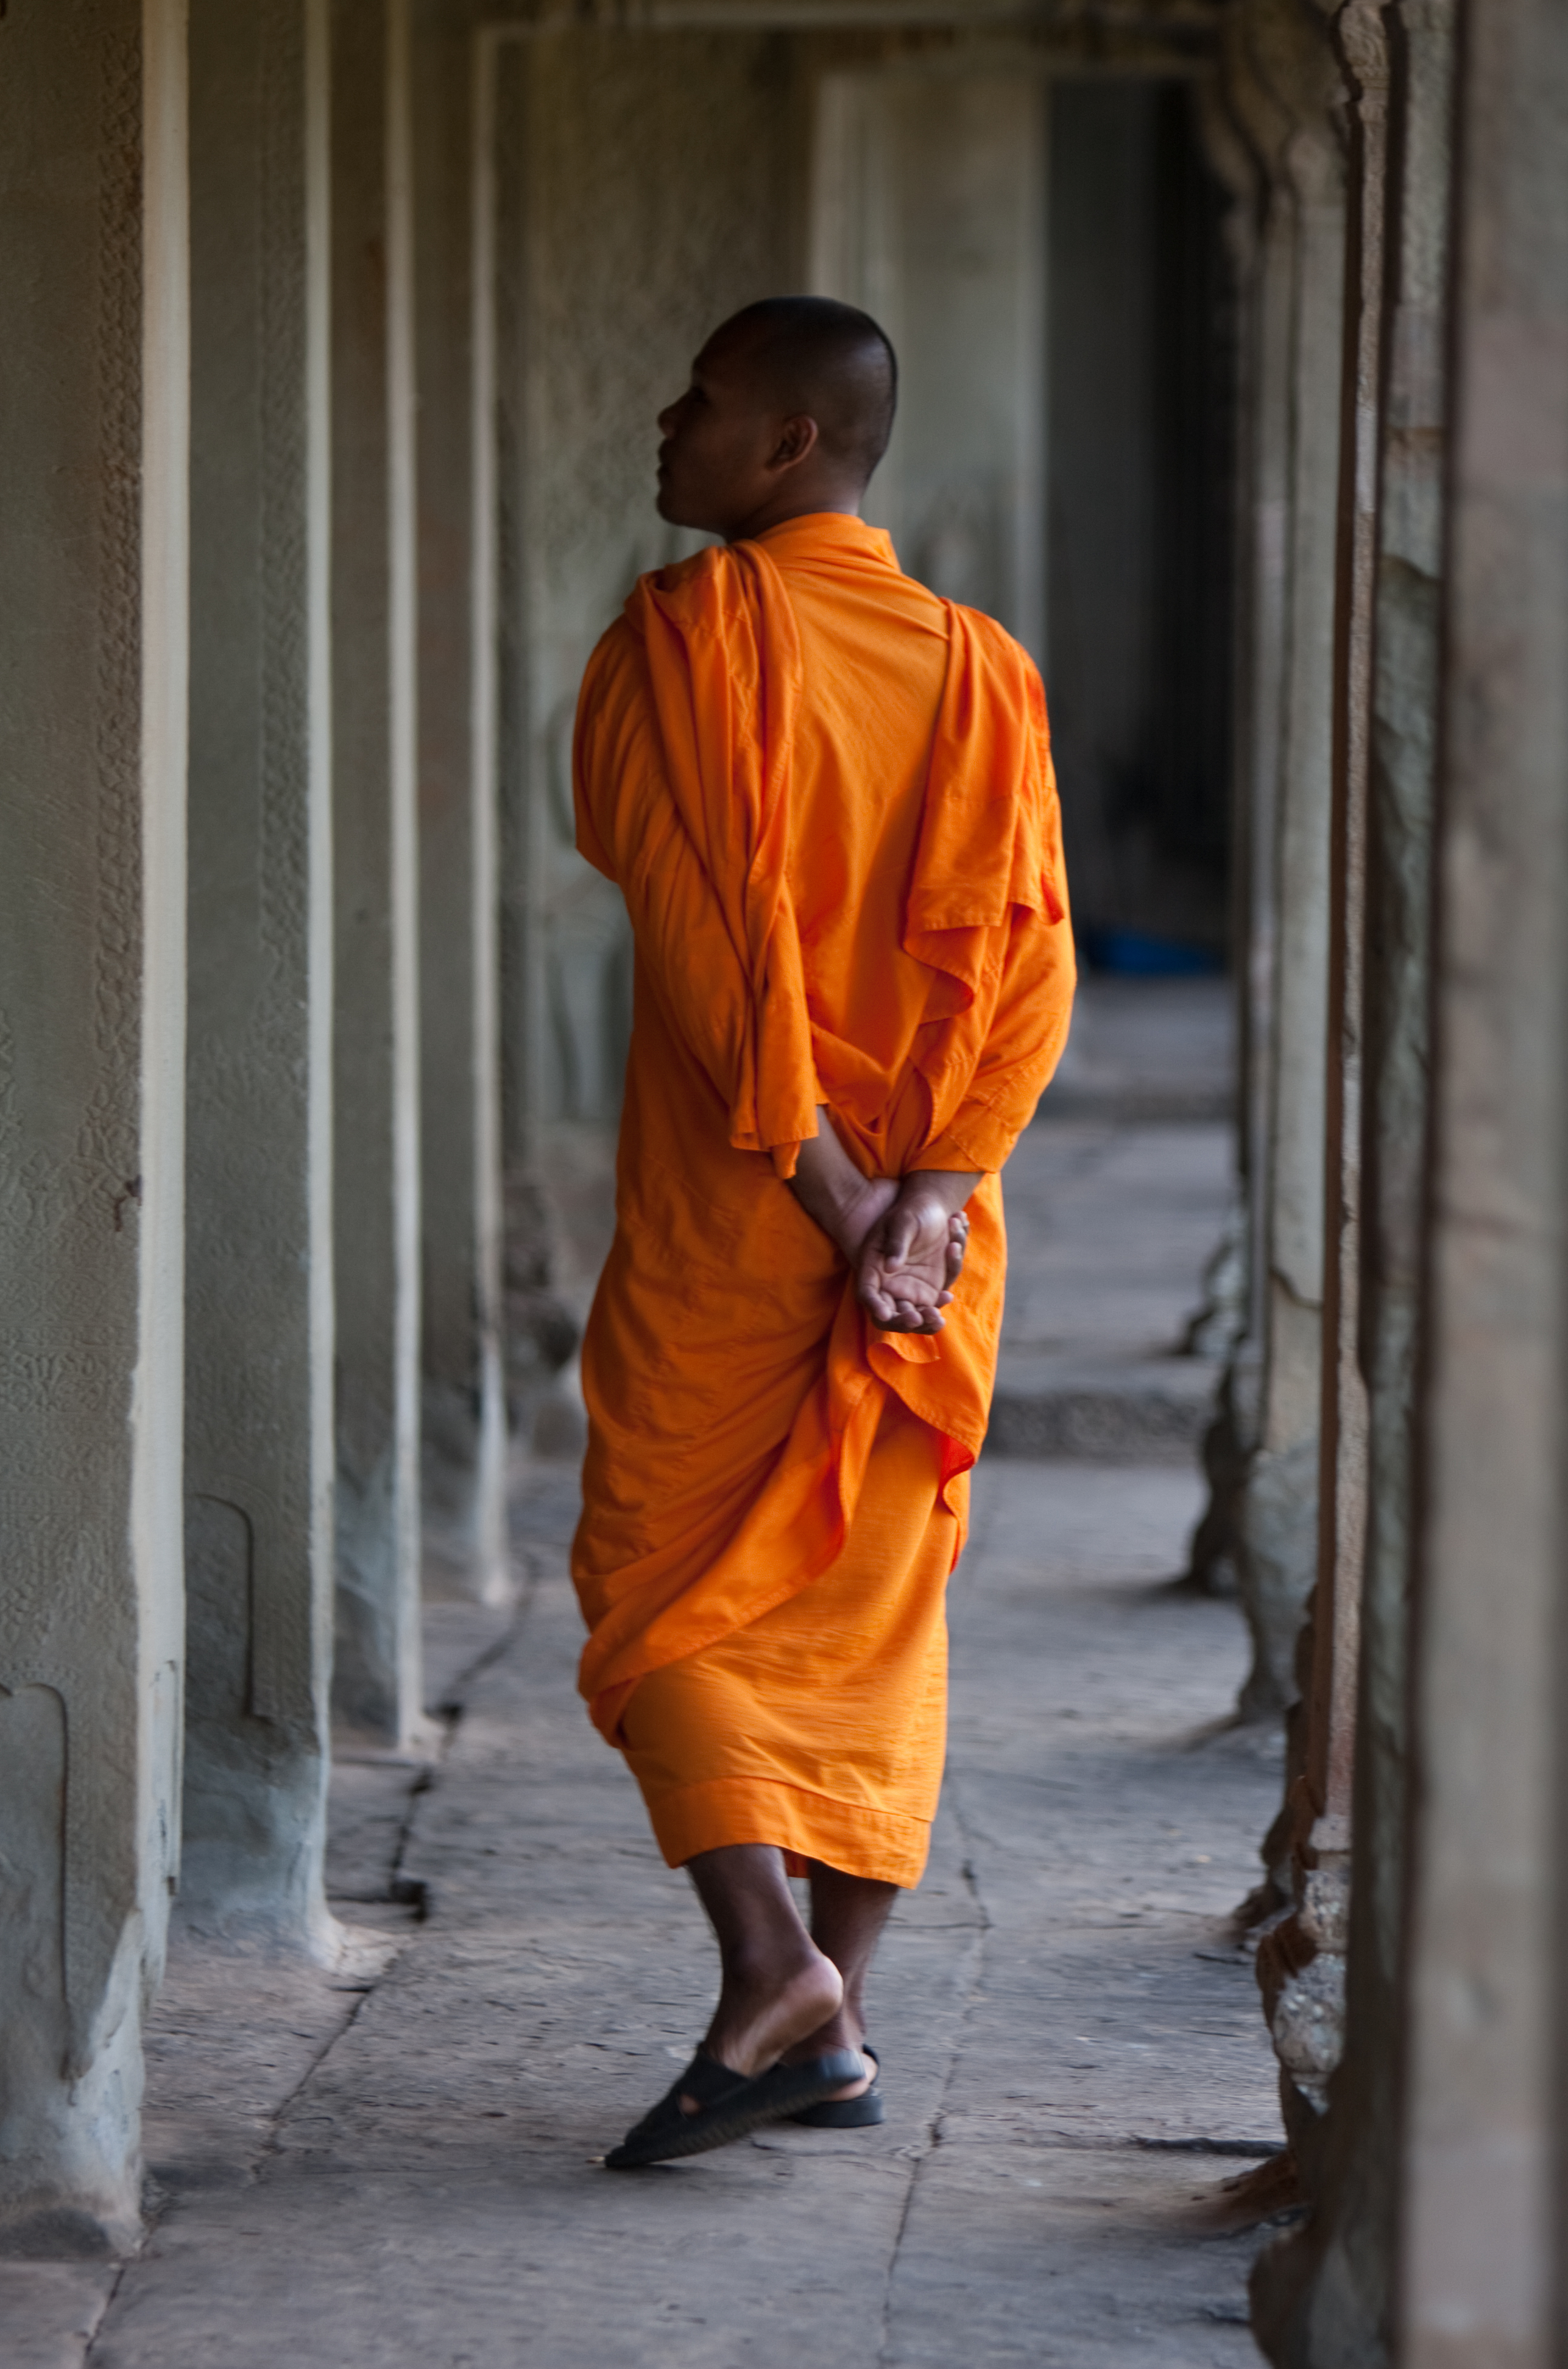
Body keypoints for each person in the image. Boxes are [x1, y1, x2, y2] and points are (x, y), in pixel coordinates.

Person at [569, 296, 1075, 2168]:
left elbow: (714, 969)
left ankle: (775, 1974)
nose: (662, 423)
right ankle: (819, 2025)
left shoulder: (675, 644)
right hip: (935, 1231)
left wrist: (838, 1189)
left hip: (746, 1212)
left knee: (656, 1587)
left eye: (696, 399)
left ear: (784, 442)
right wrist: (932, 1200)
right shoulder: (983, 667)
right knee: (870, 1607)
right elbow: (1034, 969)